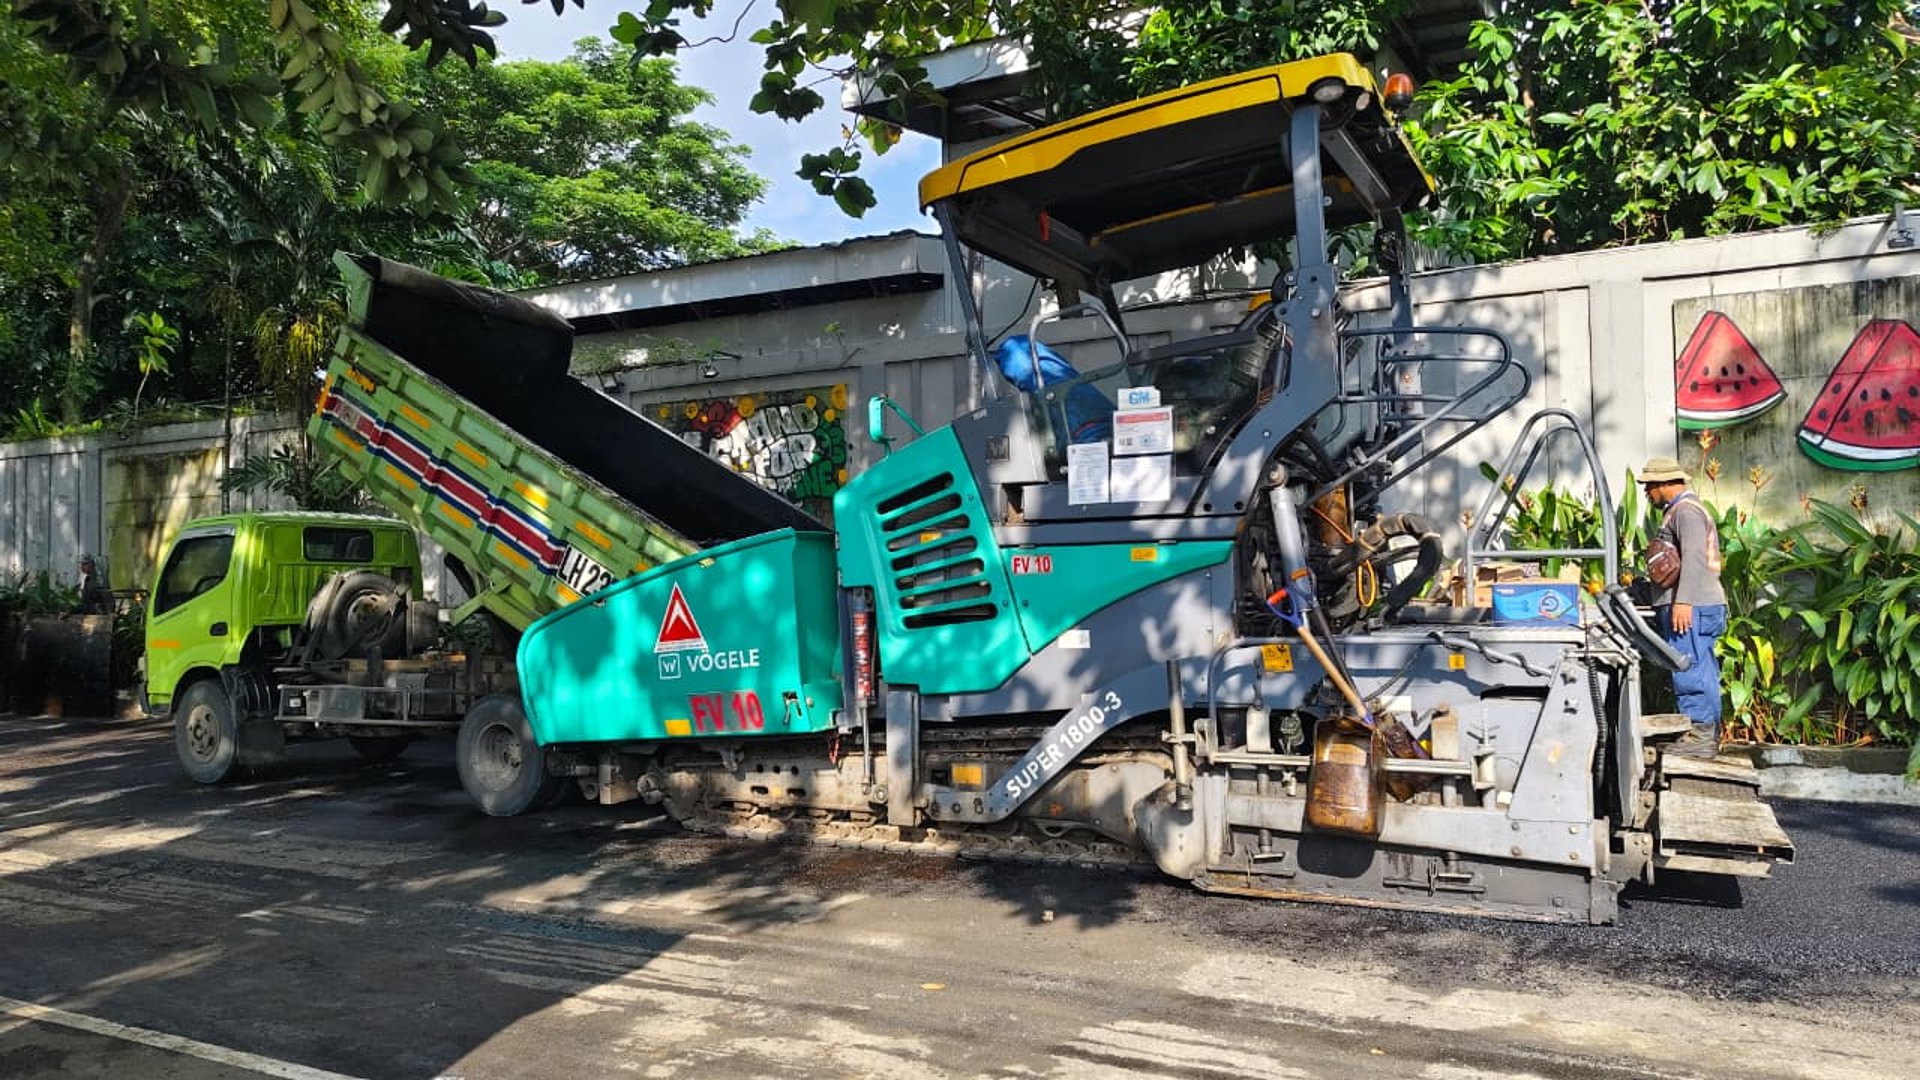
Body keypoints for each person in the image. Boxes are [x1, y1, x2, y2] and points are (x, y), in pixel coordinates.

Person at [1639, 457, 1727, 759]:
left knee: (1689, 668)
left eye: (1650, 486)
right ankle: (1706, 735)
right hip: (1694, 604)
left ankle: (1699, 737)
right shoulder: (1679, 510)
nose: (1647, 492)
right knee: (1700, 668)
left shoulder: (1686, 511)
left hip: (1693, 606)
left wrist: (1683, 601)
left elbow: (1693, 557)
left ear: (1665, 483)